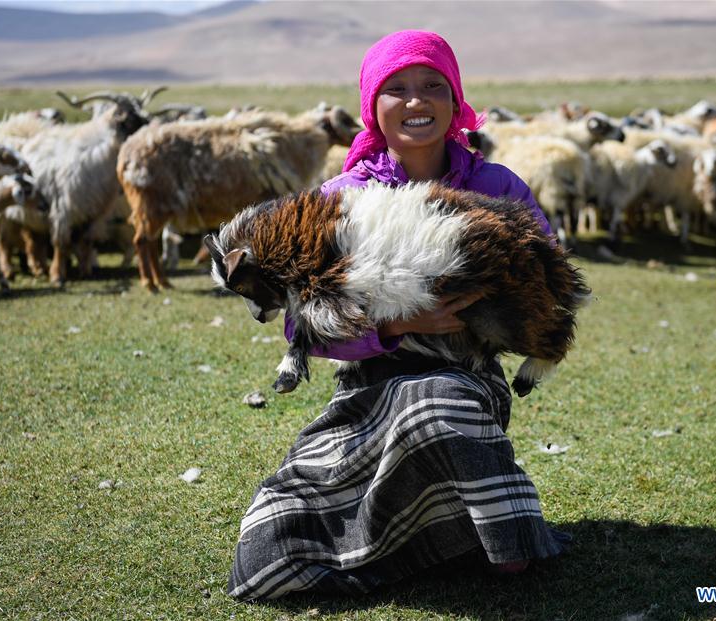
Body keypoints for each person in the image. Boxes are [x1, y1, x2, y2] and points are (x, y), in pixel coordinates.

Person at [228, 30, 569, 602]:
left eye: (434, 86)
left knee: (435, 408)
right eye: (397, 89)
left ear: (456, 101)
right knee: (274, 542)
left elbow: (547, 274)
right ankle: (423, 538)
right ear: (372, 108)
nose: (417, 101)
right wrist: (397, 326)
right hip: (369, 380)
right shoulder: (336, 198)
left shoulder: (496, 186)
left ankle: (499, 536)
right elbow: (299, 325)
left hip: (467, 374)